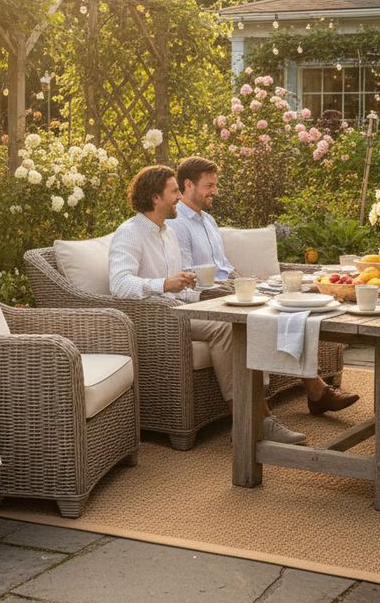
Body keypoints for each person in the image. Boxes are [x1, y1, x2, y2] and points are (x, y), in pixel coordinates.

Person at [109, 164, 308, 445]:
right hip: (155, 318)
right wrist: (164, 284)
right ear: (155, 197)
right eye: (174, 191)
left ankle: (256, 417)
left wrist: (204, 292)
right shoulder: (130, 232)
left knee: (248, 317)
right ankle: (250, 422)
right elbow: (118, 284)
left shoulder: (166, 232)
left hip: (179, 309)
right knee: (226, 328)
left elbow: (180, 289)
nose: (180, 196)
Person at [167, 156, 360, 416]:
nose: (215, 191)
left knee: (293, 306)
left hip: (230, 288)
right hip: (208, 297)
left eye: (215, 184)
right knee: (275, 312)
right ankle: (302, 396)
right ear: (188, 185)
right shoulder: (177, 225)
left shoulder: (208, 221)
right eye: (209, 185)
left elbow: (223, 264)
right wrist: (232, 288)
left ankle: (316, 389)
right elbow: (188, 275)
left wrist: (247, 282)